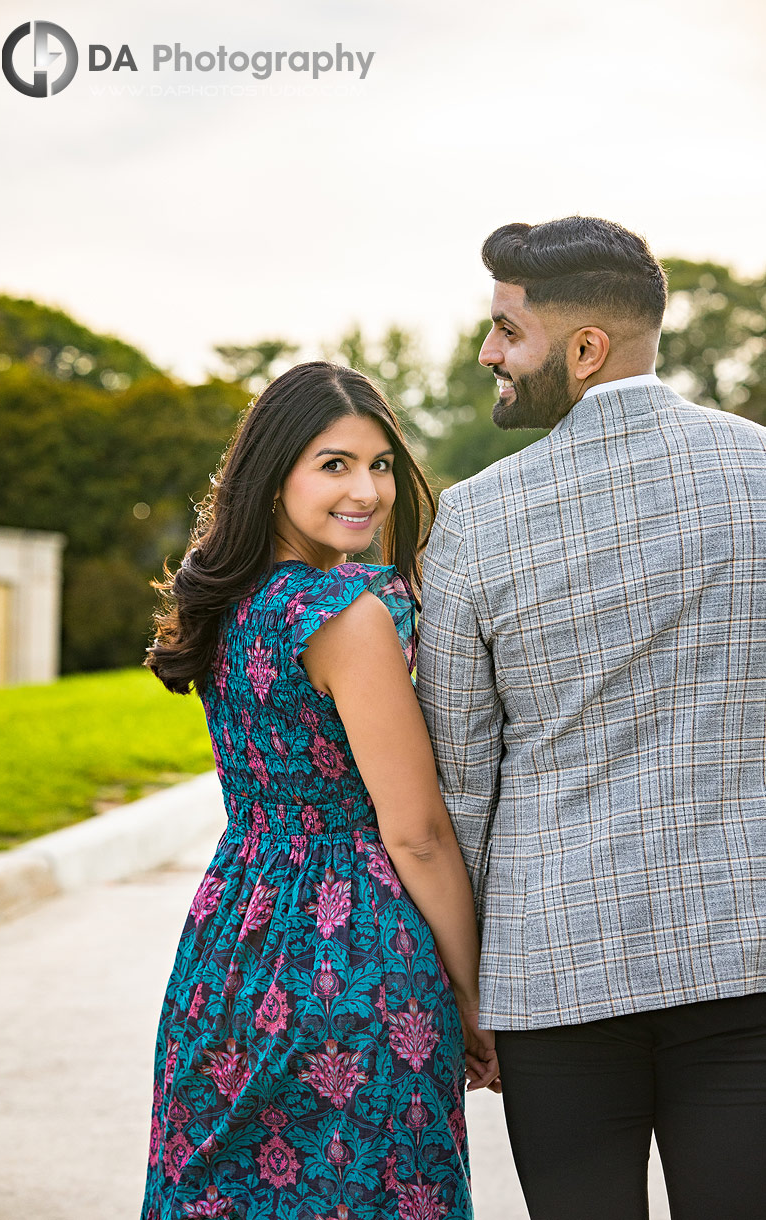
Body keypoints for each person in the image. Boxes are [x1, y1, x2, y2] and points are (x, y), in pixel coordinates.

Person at [416, 217, 766, 1220]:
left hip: (553, 971)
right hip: (747, 954)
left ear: (583, 348)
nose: (488, 352)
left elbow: (461, 782)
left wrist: (468, 985)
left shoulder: (475, 519)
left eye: (506, 332)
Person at [140, 361, 499, 1220]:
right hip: (354, 954)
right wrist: (475, 995)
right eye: (333, 464)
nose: (367, 491)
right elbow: (414, 832)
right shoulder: (347, 612)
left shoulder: (229, 602)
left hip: (232, 943)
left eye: (379, 465)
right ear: (272, 476)